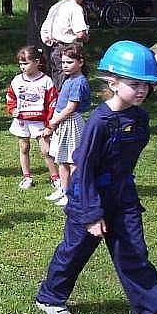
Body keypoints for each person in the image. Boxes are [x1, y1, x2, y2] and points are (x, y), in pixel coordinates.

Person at [35, 40, 157, 314]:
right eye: (135, 84)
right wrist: (92, 214)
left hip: (123, 199)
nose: (142, 90)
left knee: (135, 254)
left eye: (147, 84)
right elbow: (84, 170)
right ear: (113, 82)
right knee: (75, 250)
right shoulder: (100, 121)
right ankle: (50, 297)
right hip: (89, 198)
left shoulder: (140, 118)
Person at [43, 43, 91, 206]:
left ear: (81, 62)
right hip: (62, 122)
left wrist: (53, 122)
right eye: (63, 62)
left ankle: (74, 193)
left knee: (72, 161)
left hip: (70, 123)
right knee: (61, 159)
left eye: (69, 62)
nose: (65, 66)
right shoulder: (69, 79)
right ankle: (64, 189)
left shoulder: (79, 81)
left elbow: (71, 107)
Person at [6, 46, 60, 190]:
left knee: (46, 150)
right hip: (22, 121)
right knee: (24, 147)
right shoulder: (17, 81)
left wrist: (50, 125)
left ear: (36, 62)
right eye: (20, 64)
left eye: (26, 63)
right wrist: (12, 110)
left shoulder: (46, 81)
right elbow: (10, 97)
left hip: (40, 122)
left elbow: (52, 104)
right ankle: (27, 176)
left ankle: (55, 177)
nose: (22, 67)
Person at [40, 0, 89, 90]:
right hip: (69, 48)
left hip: (54, 47)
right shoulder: (75, 8)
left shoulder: (55, 6)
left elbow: (44, 30)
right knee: (69, 80)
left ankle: (57, 102)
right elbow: (80, 33)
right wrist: (86, 37)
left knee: (57, 77)